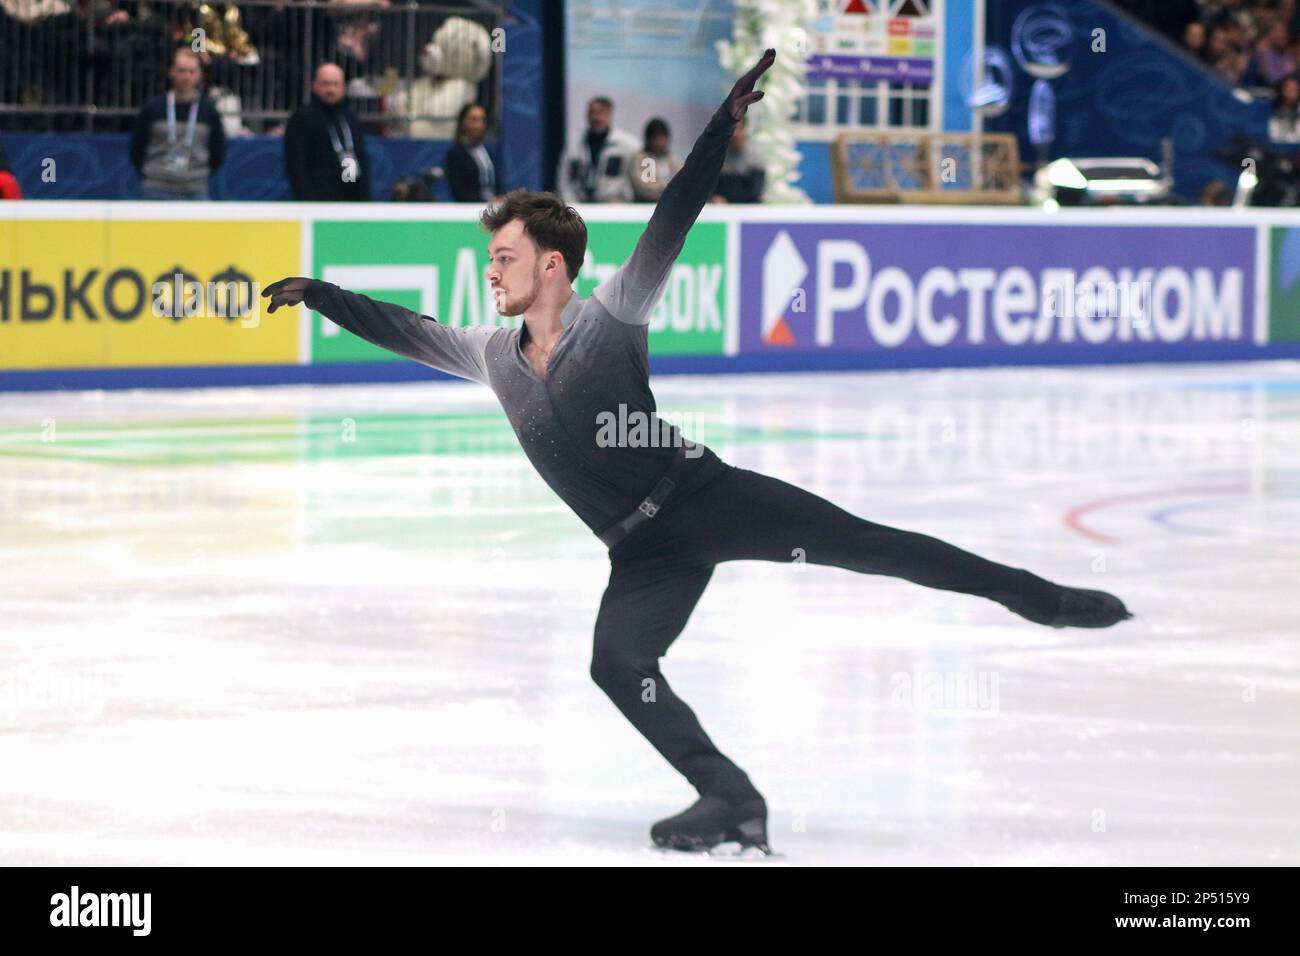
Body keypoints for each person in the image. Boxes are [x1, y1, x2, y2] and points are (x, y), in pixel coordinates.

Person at [262, 49, 1132, 855]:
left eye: (506, 257)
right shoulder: (491, 357)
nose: (491, 273)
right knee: (616, 663)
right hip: (641, 551)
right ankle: (731, 798)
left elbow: (671, 216)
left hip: (705, 498)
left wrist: (720, 126)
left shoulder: (612, 320)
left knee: (873, 545)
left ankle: (1039, 597)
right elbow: (407, 328)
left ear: (555, 265)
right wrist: (321, 294)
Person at [129, 48, 226, 200]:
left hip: (196, 189)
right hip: (156, 189)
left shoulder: (208, 111)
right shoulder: (153, 108)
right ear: (171, 72)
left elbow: (217, 153)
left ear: (200, 75)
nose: (186, 76)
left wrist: (197, 175)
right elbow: (137, 149)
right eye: (181, 71)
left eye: (191, 71)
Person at [283, 63, 372, 201]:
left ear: (343, 87)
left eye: (336, 84)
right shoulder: (302, 119)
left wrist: (362, 197)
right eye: (326, 84)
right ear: (315, 85)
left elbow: (359, 157)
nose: (331, 89)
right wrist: (307, 200)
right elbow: (296, 164)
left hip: (350, 198)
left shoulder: (350, 118)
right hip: (316, 200)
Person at [556, 96, 639, 203]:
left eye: (600, 112)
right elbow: (563, 180)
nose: (595, 117)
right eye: (592, 112)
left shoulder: (628, 145)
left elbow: (641, 176)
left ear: (610, 114)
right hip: (579, 208)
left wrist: (626, 200)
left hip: (616, 208)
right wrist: (570, 204)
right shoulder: (575, 146)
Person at [444, 103, 503, 203]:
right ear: (463, 122)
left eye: (482, 120)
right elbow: (459, 191)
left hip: (494, 209)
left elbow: (496, 183)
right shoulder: (455, 153)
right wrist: (486, 201)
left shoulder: (487, 151)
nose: (479, 125)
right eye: (474, 120)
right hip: (471, 209)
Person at [710, 115, 765, 204]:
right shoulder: (716, 158)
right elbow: (710, 189)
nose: (735, 134)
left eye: (739, 129)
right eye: (732, 129)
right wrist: (715, 198)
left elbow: (756, 193)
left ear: (744, 130)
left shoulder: (755, 159)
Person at [629, 118, 682, 203]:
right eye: (657, 138)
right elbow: (645, 188)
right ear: (649, 139)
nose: (660, 142)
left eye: (663, 138)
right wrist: (666, 189)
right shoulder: (641, 158)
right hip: (646, 205)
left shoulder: (672, 159)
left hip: (670, 204)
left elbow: (681, 182)